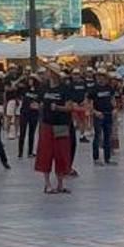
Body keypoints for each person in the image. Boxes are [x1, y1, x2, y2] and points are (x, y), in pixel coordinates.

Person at [37, 64, 77, 194]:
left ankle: (60, 184)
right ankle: (47, 184)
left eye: (48, 71)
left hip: (61, 124)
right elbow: (40, 103)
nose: (46, 73)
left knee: (61, 154)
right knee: (45, 154)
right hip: (47, 124)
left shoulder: (65, 88)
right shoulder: (43, 87)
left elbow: (70, 107)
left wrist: (58, 108)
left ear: (53, 73)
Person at [88, 68, 117, 166]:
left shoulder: (109, 88)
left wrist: (114, 109)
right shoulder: (94, 89)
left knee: (107, 136)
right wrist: (95, 112)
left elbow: (112, 99)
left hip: (108, 113)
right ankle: (96, 158)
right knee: (97, 136)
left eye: (102, 76)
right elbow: (90, 103)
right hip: (99, 115)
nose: (100, 78)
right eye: (98, 76)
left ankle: (107, 158)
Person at [17, 74, 41, 158]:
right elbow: (15, 85)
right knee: (22, 132)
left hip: (34, 113)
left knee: (32, 133)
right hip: (24, 112)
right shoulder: (25, 89)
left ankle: (30, 152)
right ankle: (20, 152)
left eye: (32, 80)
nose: (30, 81)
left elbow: (41, 101)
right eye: (29, 79)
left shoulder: (39, 90)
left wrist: (37, 105)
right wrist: (21, 77)